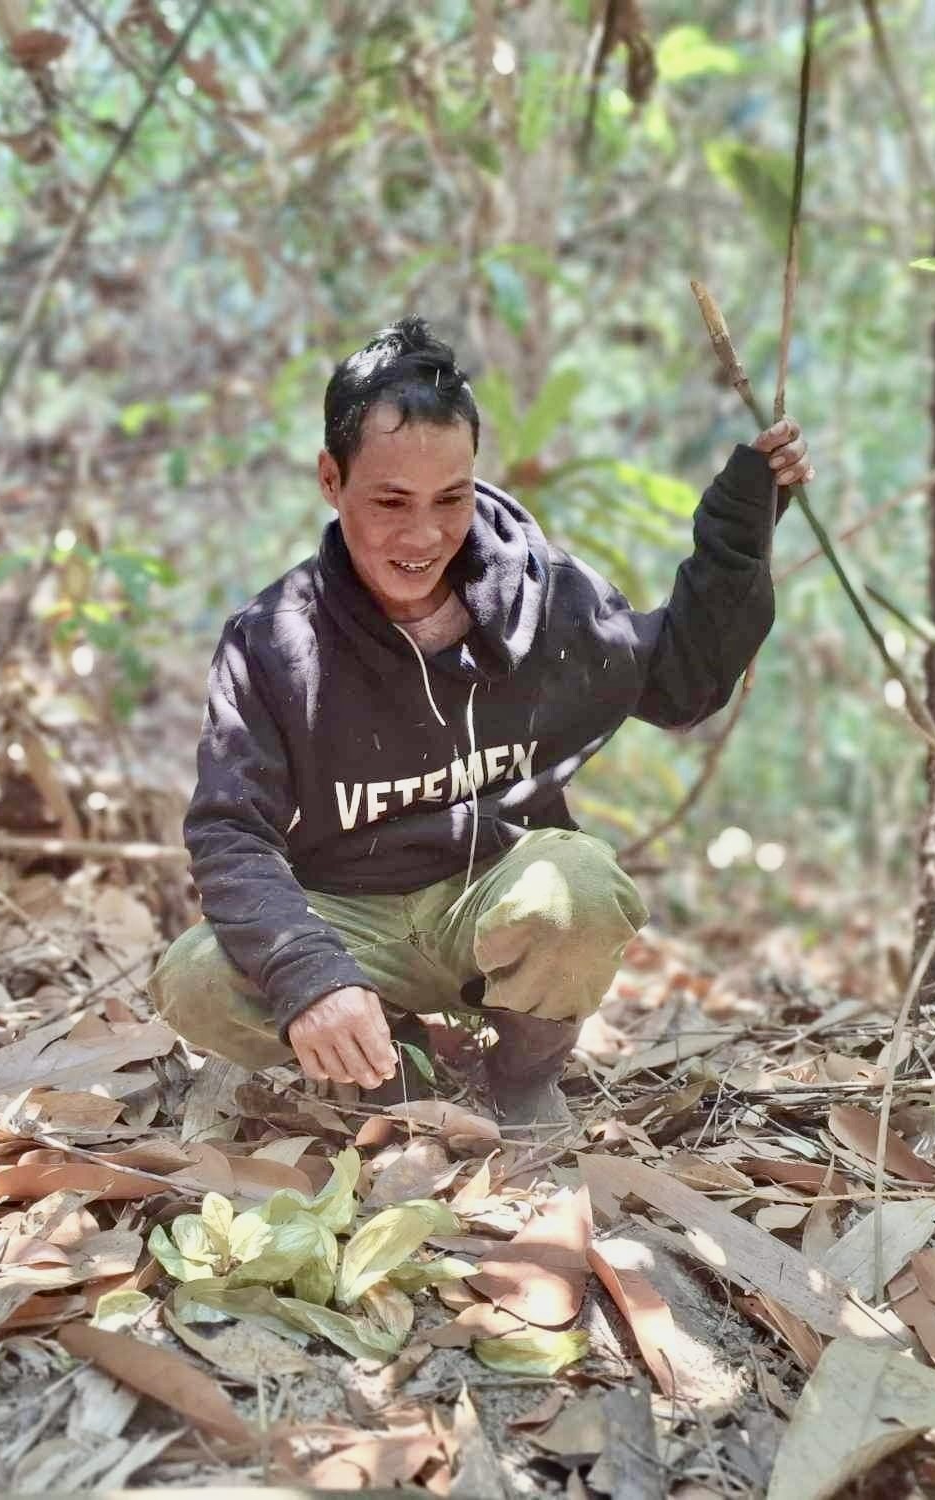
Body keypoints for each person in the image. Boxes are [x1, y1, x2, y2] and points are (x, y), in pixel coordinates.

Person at [149, 317, 811, 1136]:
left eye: (450, 498)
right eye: (390, 501)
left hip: (483, 904)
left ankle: (524, 1076)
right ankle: (391, 1062)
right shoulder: (274, 639)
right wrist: (309, 974)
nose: (422, 535)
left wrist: (741, 527)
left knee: (581, 890)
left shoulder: (542, 598)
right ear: (331, 478)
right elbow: (230, 833)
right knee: (196, 978)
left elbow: (682, 681)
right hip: (349, 920)